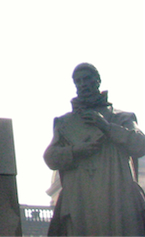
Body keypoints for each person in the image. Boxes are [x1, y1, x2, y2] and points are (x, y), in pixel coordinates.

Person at [44, 63, 145, 235]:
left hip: (117, 197)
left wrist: (106, 126)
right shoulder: (65, 124)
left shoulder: (121, 118)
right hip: (80, 201)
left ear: (97, 81)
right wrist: (76, 151)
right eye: (78, 81)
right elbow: (50, 158)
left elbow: (140, 144)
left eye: (87, 79)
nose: (83, 84)